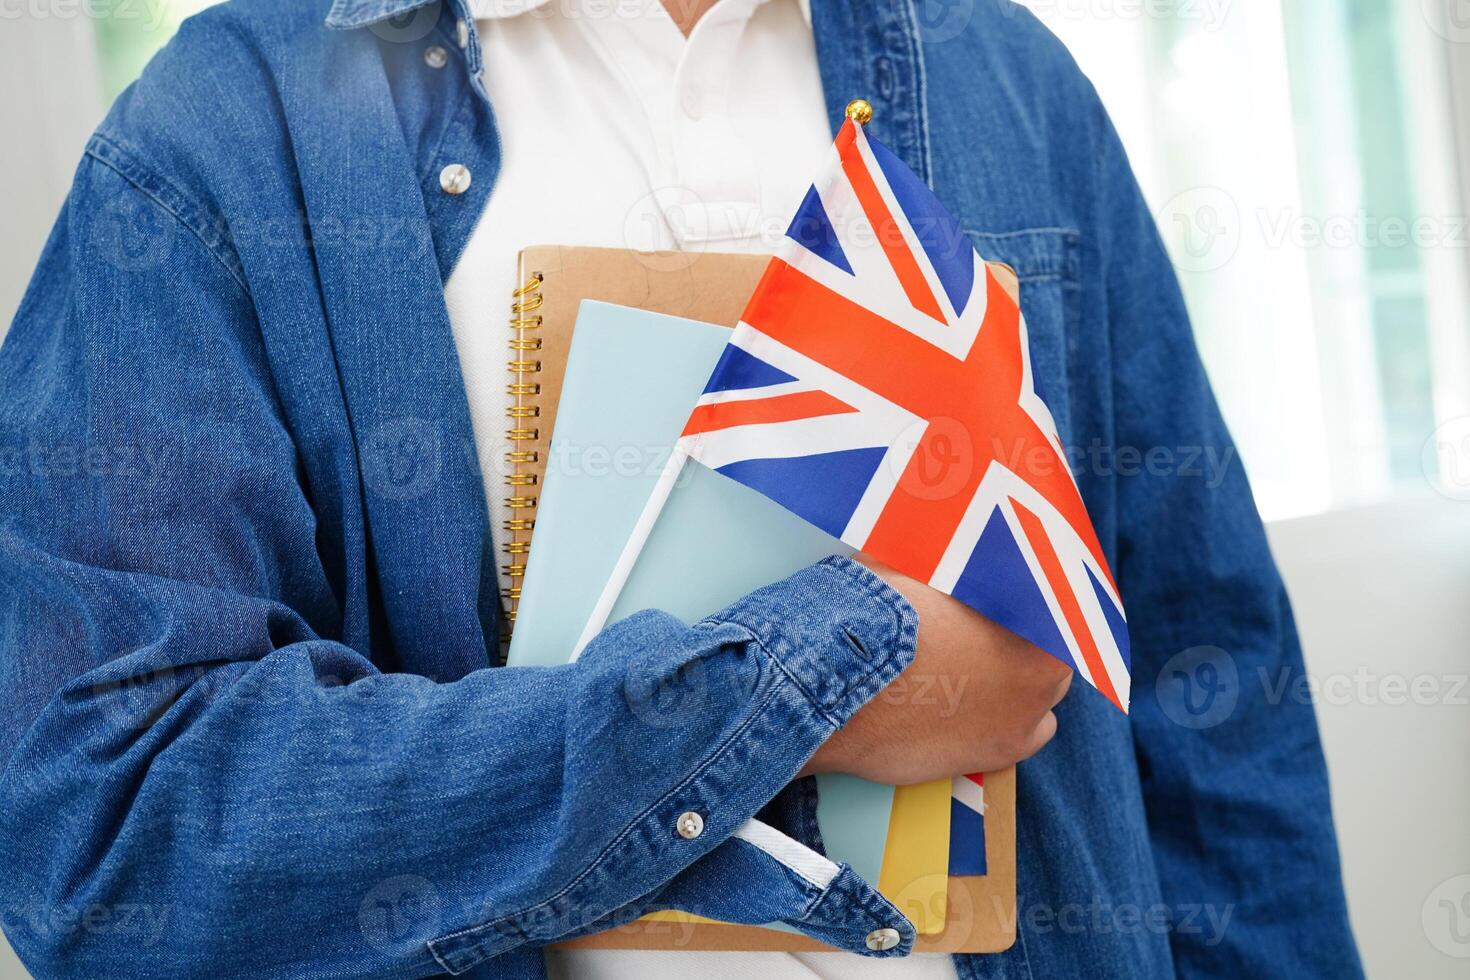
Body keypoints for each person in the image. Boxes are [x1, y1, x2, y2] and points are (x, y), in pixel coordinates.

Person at [0, 0, 1362, 977]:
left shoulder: (1007, 76)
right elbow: (103, 823)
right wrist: (801, 688)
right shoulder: (226, 126)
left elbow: (1209, 699)